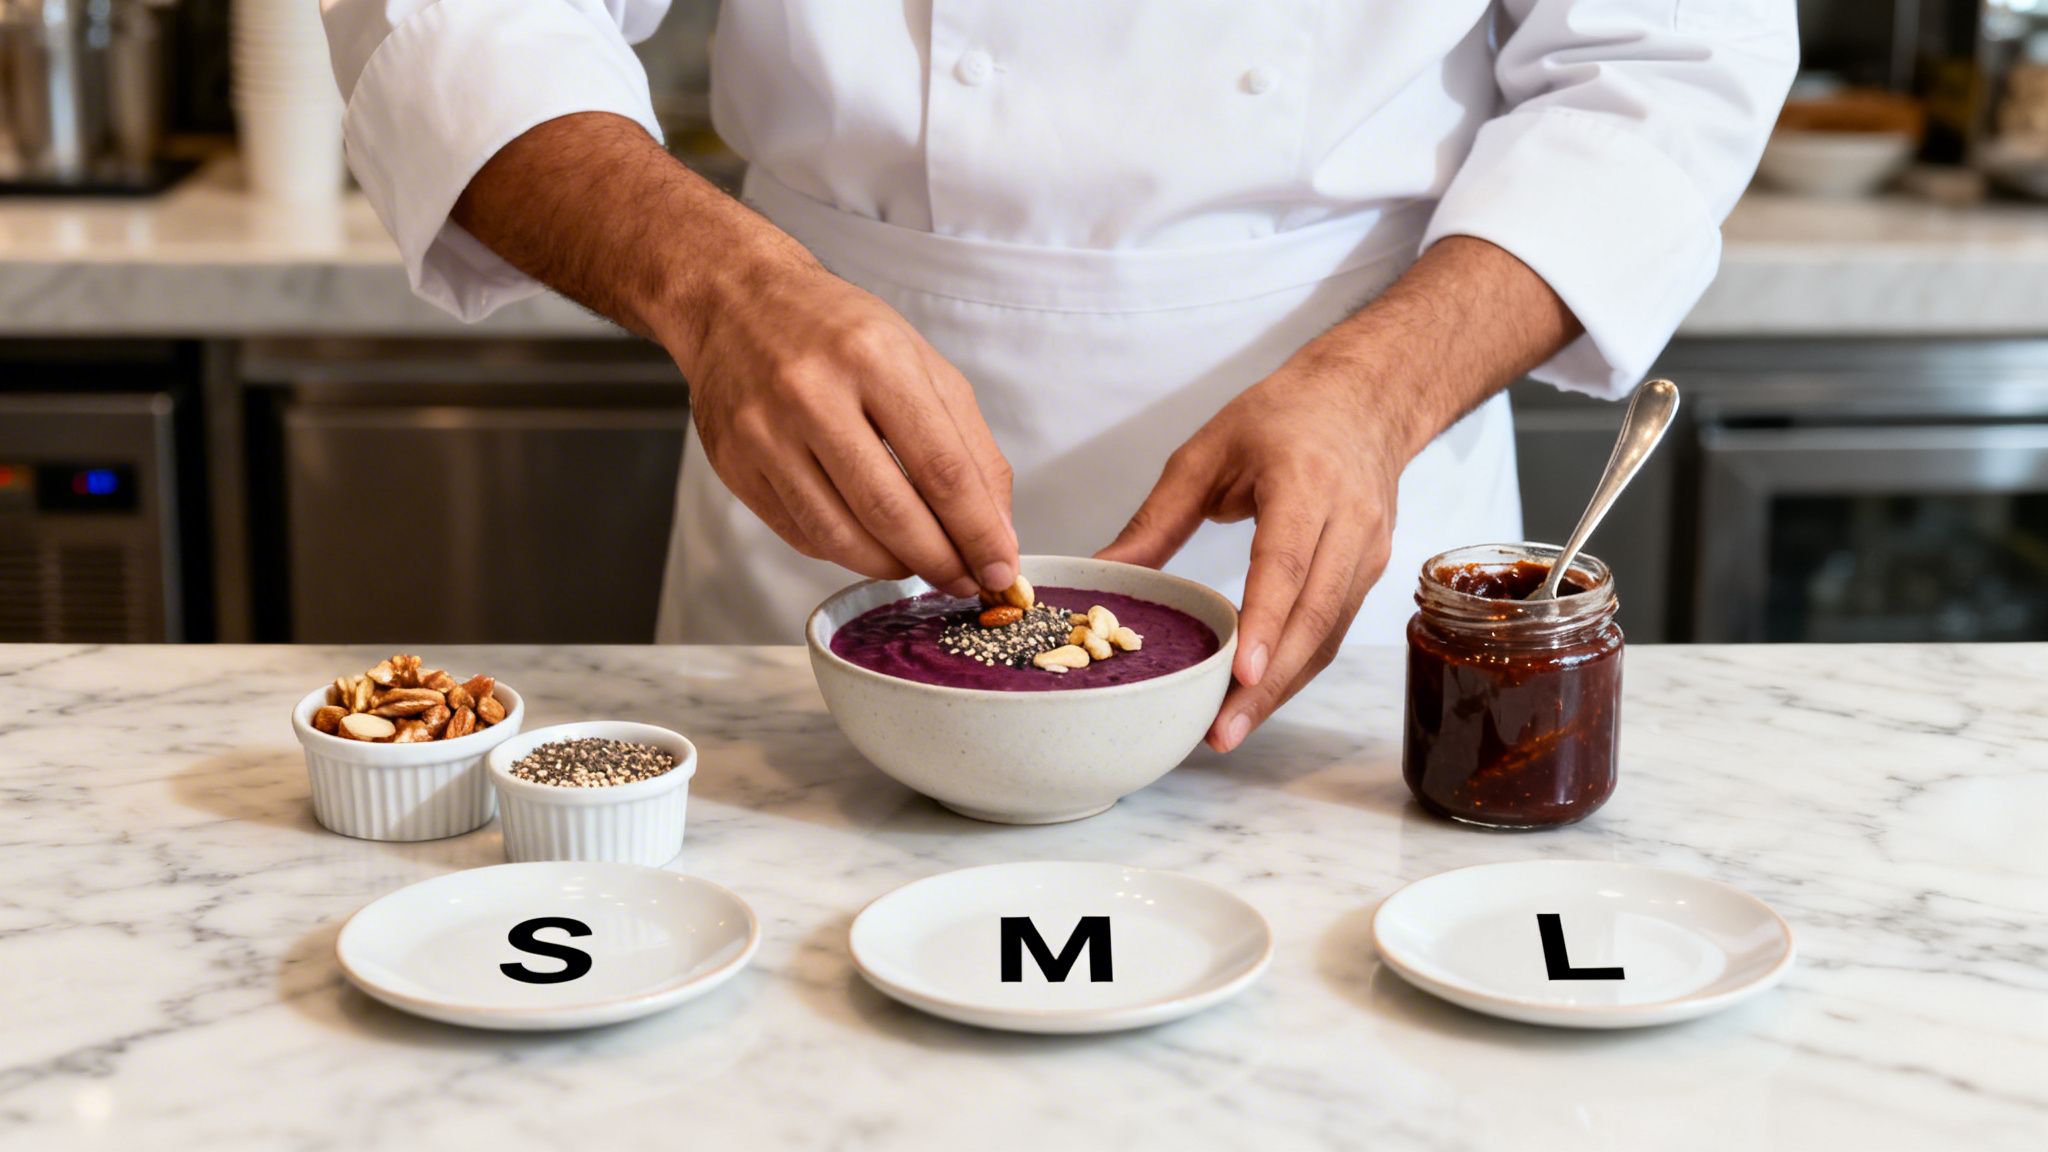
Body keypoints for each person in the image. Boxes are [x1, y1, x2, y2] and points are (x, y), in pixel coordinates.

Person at [322, 1, 1796, 751]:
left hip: (1342, 530)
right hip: (824, 488)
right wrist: (721, 290)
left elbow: (1668, 54)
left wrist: (1381, 392)